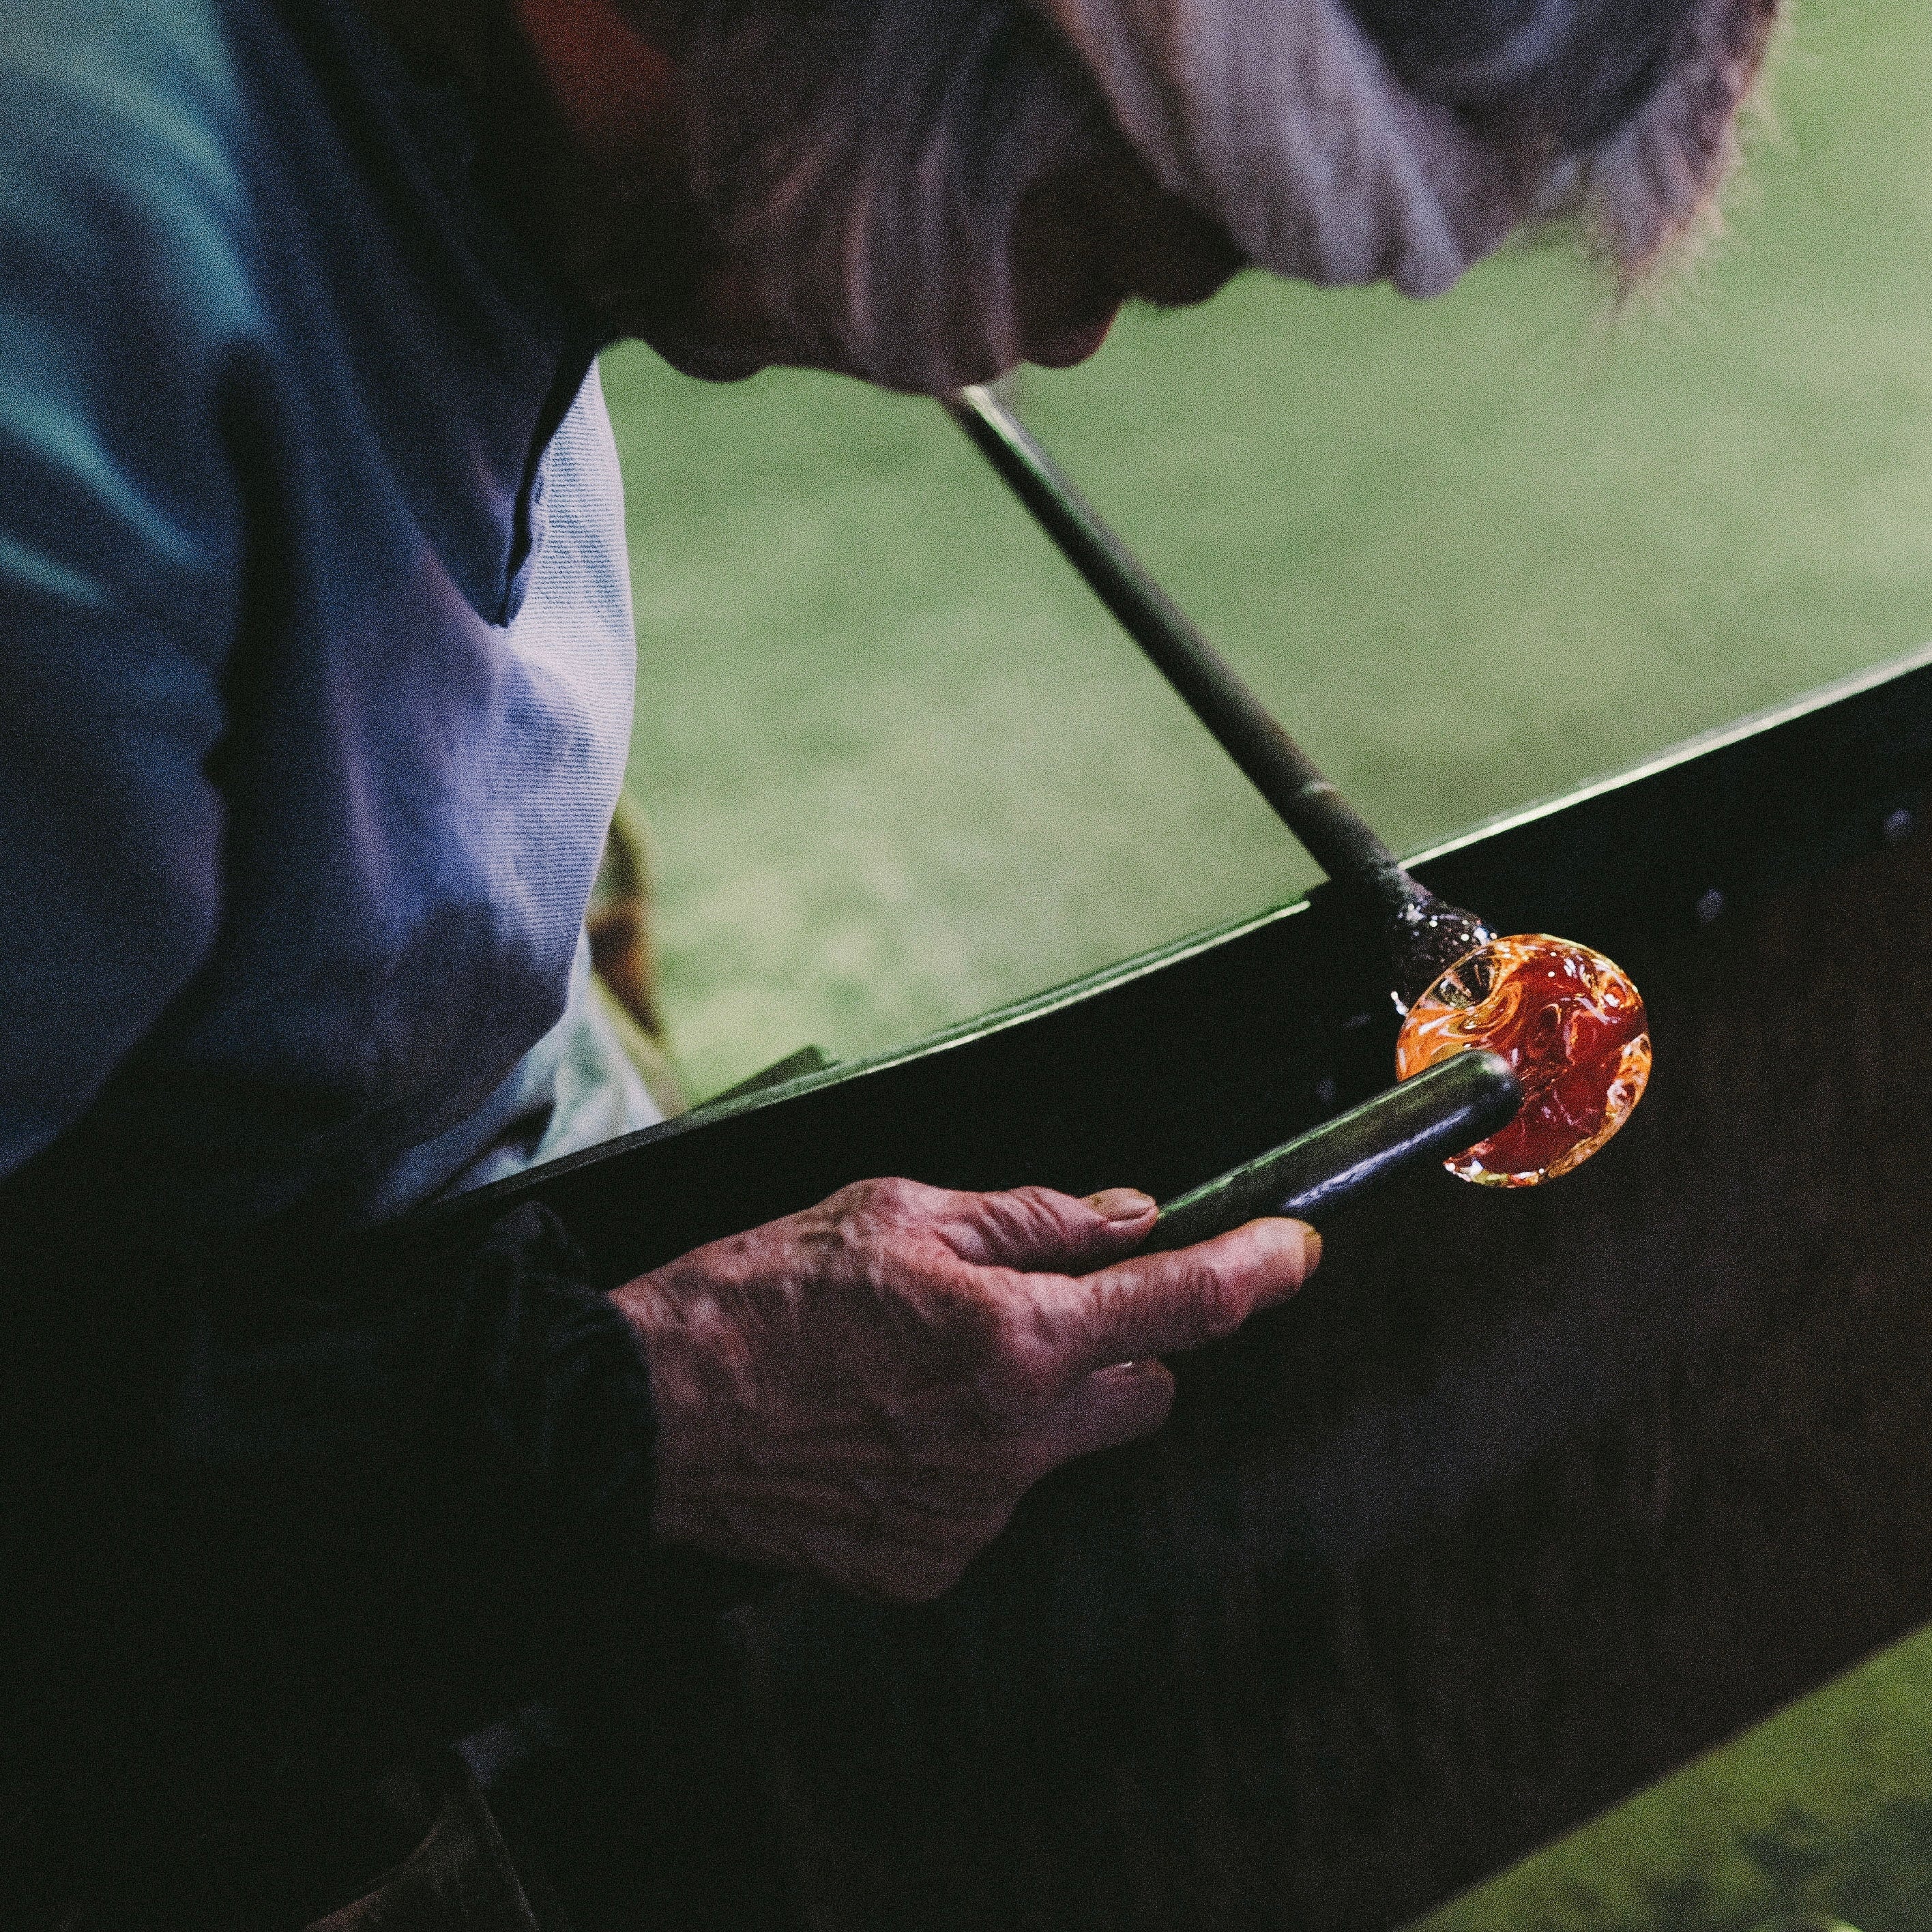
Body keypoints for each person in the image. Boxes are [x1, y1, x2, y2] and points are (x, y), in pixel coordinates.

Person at [0, 0, 1777, 1922]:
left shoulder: (489, 153)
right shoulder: (80, 298)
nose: (1069, 336)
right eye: (1099, 247)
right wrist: (629, 1420)